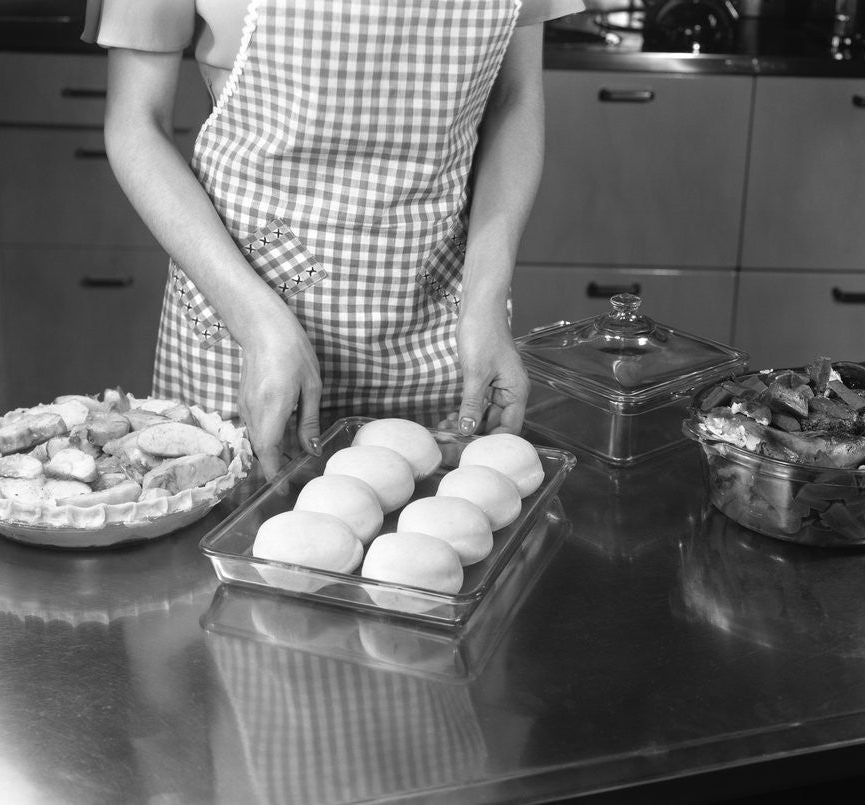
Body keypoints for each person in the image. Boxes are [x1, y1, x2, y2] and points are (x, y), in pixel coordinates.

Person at [83, 0, 585, 479]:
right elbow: (135, 123)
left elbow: (514, 99)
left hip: (439, 320)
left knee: (437, 538)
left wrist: (487, 299)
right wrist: (255, 321)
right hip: (245, 310)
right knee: (238, 533)